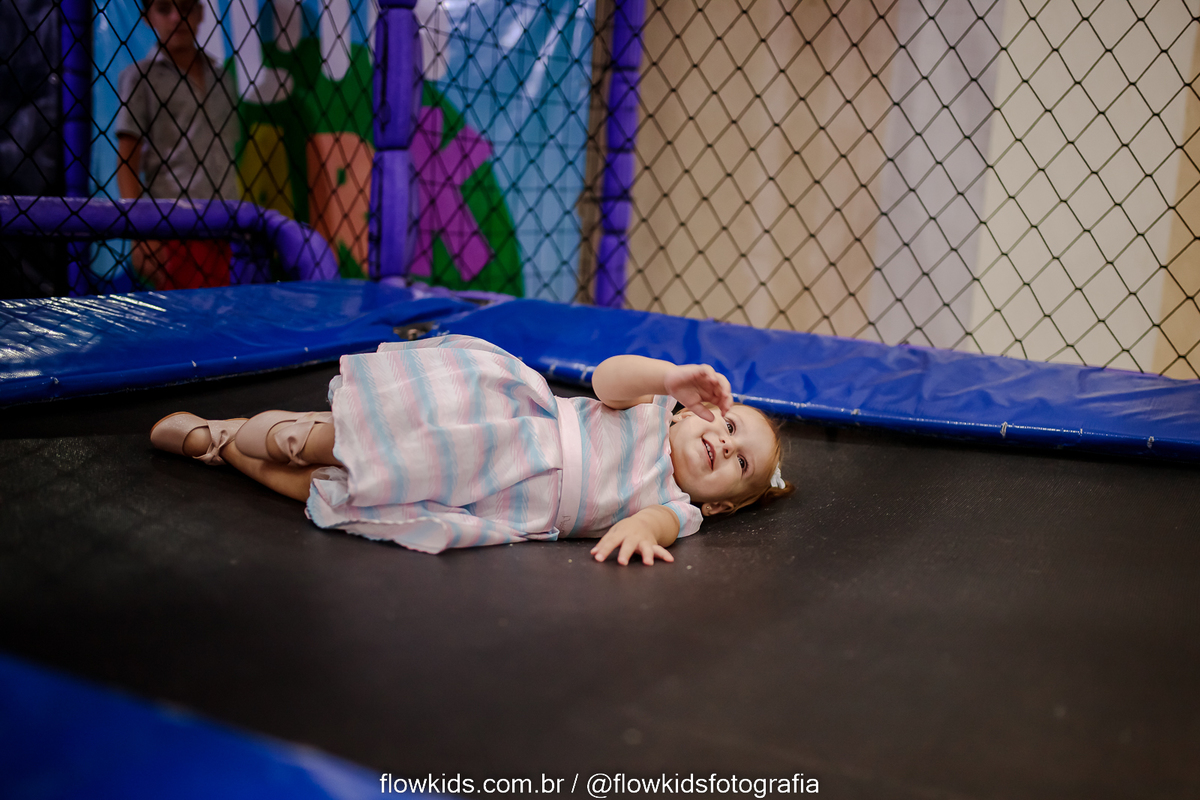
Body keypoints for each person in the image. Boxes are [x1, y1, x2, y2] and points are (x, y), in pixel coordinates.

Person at [149, 335, 793, 564]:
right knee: (356, 437)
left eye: (741, 463)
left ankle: (221, 445)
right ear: (692, 410)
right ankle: (277, 433)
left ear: (722, 507)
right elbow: (606, 380)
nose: (724, 444)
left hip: (493, 503)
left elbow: (649, 525)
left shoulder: (677, 508)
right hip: (489, 431)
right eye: (730, 425)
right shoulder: (650, 407)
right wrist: (668, 376)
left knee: (341, 490)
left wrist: (641, 535)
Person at [115, 0, 238, 289]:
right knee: (183, 315)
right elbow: (127, 162)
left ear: (201, 13)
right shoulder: (140, 77)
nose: (176, 18)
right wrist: (140, 234)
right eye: (164, 9)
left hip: (225, 227)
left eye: (185, 8)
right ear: (147, 17)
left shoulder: (222, 77)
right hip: (171, 229)